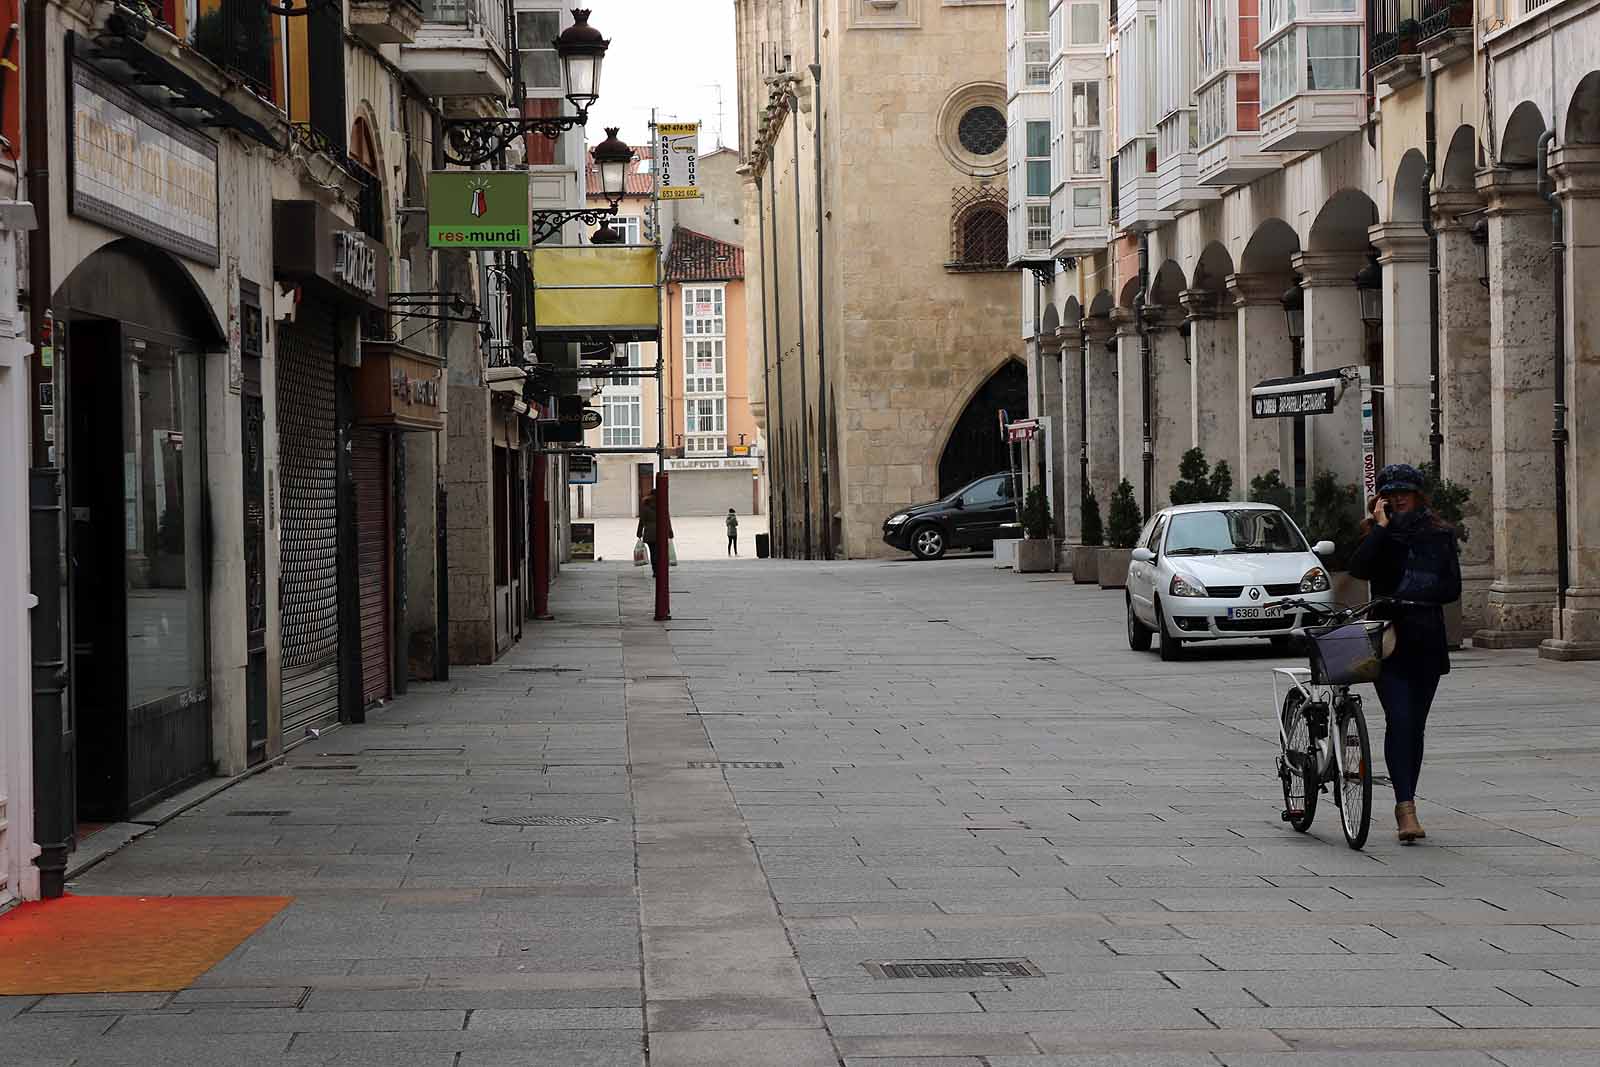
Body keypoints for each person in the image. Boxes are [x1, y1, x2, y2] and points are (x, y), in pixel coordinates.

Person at [1347, 463, 1462, 845]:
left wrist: (1415, 594)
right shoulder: (1377, 535)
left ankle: (1407, 798)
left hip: (1426, 640)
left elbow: (1451, 588)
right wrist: (1380, 529)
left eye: (1405, 492)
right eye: (1390, 493)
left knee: (1416, 725)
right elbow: (1360, 569)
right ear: (1380, 499)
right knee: (1400, 718)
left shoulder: (1439, 535)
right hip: (1389, 640)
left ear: (1418, 495)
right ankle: (1405, 807)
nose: (1398, 498)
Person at [637, 491, 674, 577]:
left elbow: (641, 521)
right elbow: (667, 520)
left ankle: (655, 571)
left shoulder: (645, 507)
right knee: (661, 553)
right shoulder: (663, 506)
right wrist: (670, 532)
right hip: (661, 533)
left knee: (653, 553)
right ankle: (661, 570)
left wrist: (639, 533)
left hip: (649, 533)